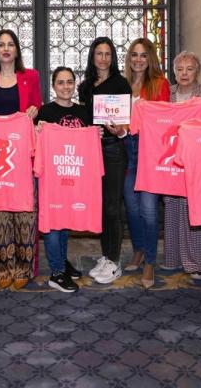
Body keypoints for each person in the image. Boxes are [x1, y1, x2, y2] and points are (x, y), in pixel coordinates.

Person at [0, 29, 42, 290]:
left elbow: (38, 106)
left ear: (17, 50)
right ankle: (2, 267)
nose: (5, 49)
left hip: (22, 154)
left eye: (10, 44)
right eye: (1, 44)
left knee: (25, 212)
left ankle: (24, 267)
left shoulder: (30, 77)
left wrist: (36, 111)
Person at [77, 36, 132, 285]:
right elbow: (84, 119)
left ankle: (115, 260)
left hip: (113, 150)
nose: (103, 58)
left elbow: (125, 122)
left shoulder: (120, 83)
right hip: (91, 151)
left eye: (108, 54)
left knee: (112, 206)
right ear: (92, 56)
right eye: (99, 53)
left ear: (113, 57)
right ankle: (105, 255)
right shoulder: (85, 85)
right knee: (100, 207)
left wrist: (116, 128)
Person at [35, 67, 92, 292]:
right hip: (51, 177)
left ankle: (62, 261)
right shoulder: (45, 111)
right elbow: (35, 142)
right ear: (53, 86)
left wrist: (95, 135)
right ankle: (56, 273)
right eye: (61, 82)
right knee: (52, 224)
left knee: (65, 221)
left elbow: (89, 142)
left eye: (70, 82)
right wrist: (37, 130)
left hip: (74, 174)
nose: (66, 86)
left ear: (75, 84)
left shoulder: (84, 111)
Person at [122, 38, 170, 289]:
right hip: (126, 151)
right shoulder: (123, 85)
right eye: (134, 55)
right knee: (131, 207)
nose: (138, 60)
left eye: (143, 55)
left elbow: (164, 121)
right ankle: (139, 249)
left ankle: (151, 260)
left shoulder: (159, 84)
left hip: (149, 153)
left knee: (149, 210)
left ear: (150, 58)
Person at [163, 51, 201, 283]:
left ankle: (197, 262)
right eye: (180, 69)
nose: (184, 73)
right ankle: (173, 259)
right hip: (169, 160)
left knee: (195, 210)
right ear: (174, 71)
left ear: (197, 71)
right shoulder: (167, 94)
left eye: (189, 69)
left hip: (197, 162)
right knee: (172, 205)